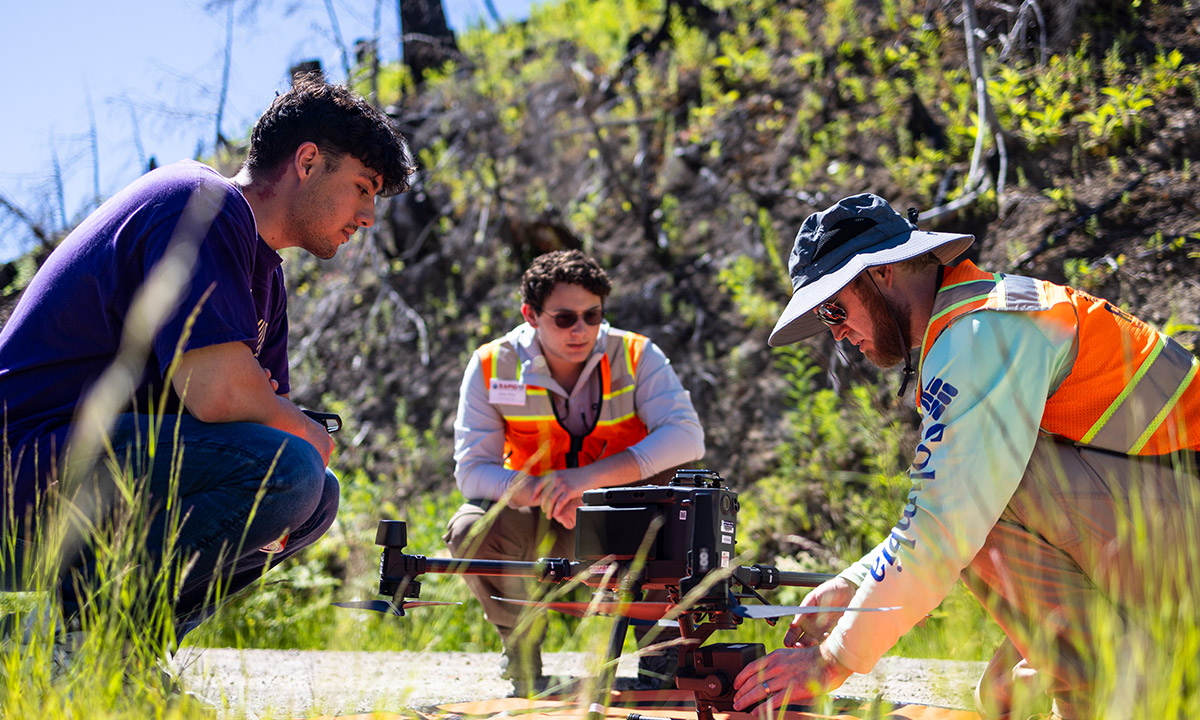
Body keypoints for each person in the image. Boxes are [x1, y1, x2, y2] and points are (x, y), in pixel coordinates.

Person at [730, 193, 1200, 719]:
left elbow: (943, 527)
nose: (835, 330)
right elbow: (943, 514)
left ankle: (1149, 692)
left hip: (1179, 540)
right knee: (1003, 695)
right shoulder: (981, 318)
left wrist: (830, 662)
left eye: (834, 308)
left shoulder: (982, 336)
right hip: (1162, 523)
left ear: (881, 274)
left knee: (982, 505)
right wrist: (851, 585)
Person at [0, 76, 416, 651]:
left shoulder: (263, 279)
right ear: (308, 160)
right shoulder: (198, 202)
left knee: (316, 495)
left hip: (91, 480)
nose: (368, 216)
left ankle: (120, 656)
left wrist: (268, 410)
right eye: (363, 188)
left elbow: (252, 414)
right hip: (22, 471)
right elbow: (220, 394)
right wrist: (278, 414)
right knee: (290, 471)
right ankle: (56, 636)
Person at [444, 249, 705, 695]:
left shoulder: (637, 354)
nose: (581, 330)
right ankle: (522, 647)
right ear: (531, 315)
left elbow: (687, 437)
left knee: (684, 492)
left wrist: (586, 482)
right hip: (542, 519)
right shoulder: (492, 364)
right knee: (470, 527)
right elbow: (471, 471)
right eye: (564, 318)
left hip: (625, 522)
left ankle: (662, 649)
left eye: (592, 315)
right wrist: (542, 492)